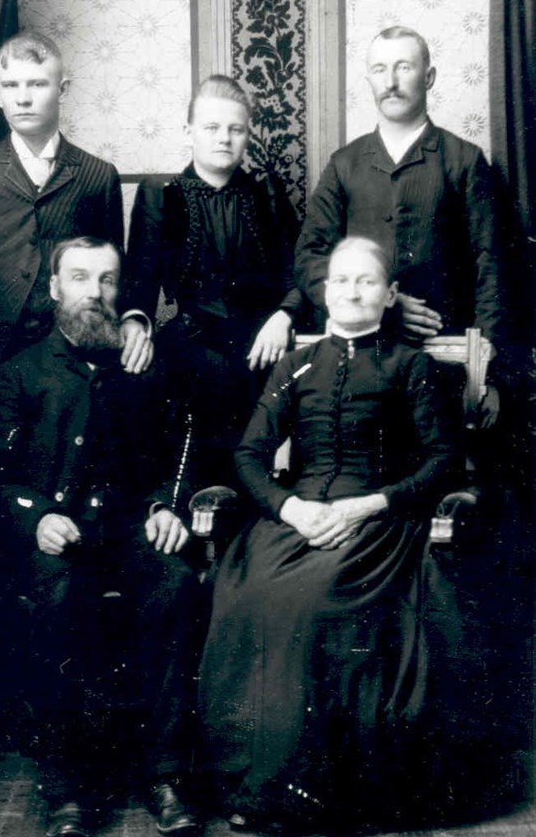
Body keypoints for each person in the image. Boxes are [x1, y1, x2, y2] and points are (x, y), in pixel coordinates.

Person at [197, 236, 460, 832]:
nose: (352, 291)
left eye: (367, 281)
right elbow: (249, 454)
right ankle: (257, 781)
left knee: (307, 605)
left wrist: (371, 504)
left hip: (378, 523)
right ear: (322, 291)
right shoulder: (296, 365)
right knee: (244, 596)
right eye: (340, 280)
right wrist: (289, 509)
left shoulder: (409, 364)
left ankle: (312, 791)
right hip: (299, 517)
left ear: (390, 295)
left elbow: (442, 459)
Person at [0, 237, 205, 837]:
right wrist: (36, 519)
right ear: (55, 287)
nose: (94, 293)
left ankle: (165, 776)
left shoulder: (143, 369)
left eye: (107, 280)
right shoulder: (21, 371)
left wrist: (166, 506)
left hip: (128, 531)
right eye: (79, 278)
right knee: (56, 603)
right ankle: (66, 787)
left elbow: (178, 450)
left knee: (176, 585)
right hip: (58, 537)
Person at [0, 31, 152, 505]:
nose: (23, 97)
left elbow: (114, 269)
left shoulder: (96, 175)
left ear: (62, 89)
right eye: (11, 85)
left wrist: (132, 319)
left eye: (37, 84)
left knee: (68, 469)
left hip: (66, 355)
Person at [294, 26, 504, 424]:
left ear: (429, 77)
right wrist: (382, 306)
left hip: (448, 356)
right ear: (369, 78)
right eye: (379, 69)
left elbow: (490, 266)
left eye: (403, 67)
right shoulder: (345, 163)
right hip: (361, 356)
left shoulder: (464, 160)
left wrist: (489, 370)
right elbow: (309, 256)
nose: (390, 82)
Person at [126, 74, 305, 493]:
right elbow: (140, 279)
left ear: (247, 135)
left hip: (262, 346)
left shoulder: (267, 194)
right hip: (190, 343)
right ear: (188, 132)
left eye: (235, 129)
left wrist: (284, 314)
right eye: (211, 128)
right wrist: (135, 322)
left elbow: (299, 273)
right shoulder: (160, 193)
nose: (223, 138)